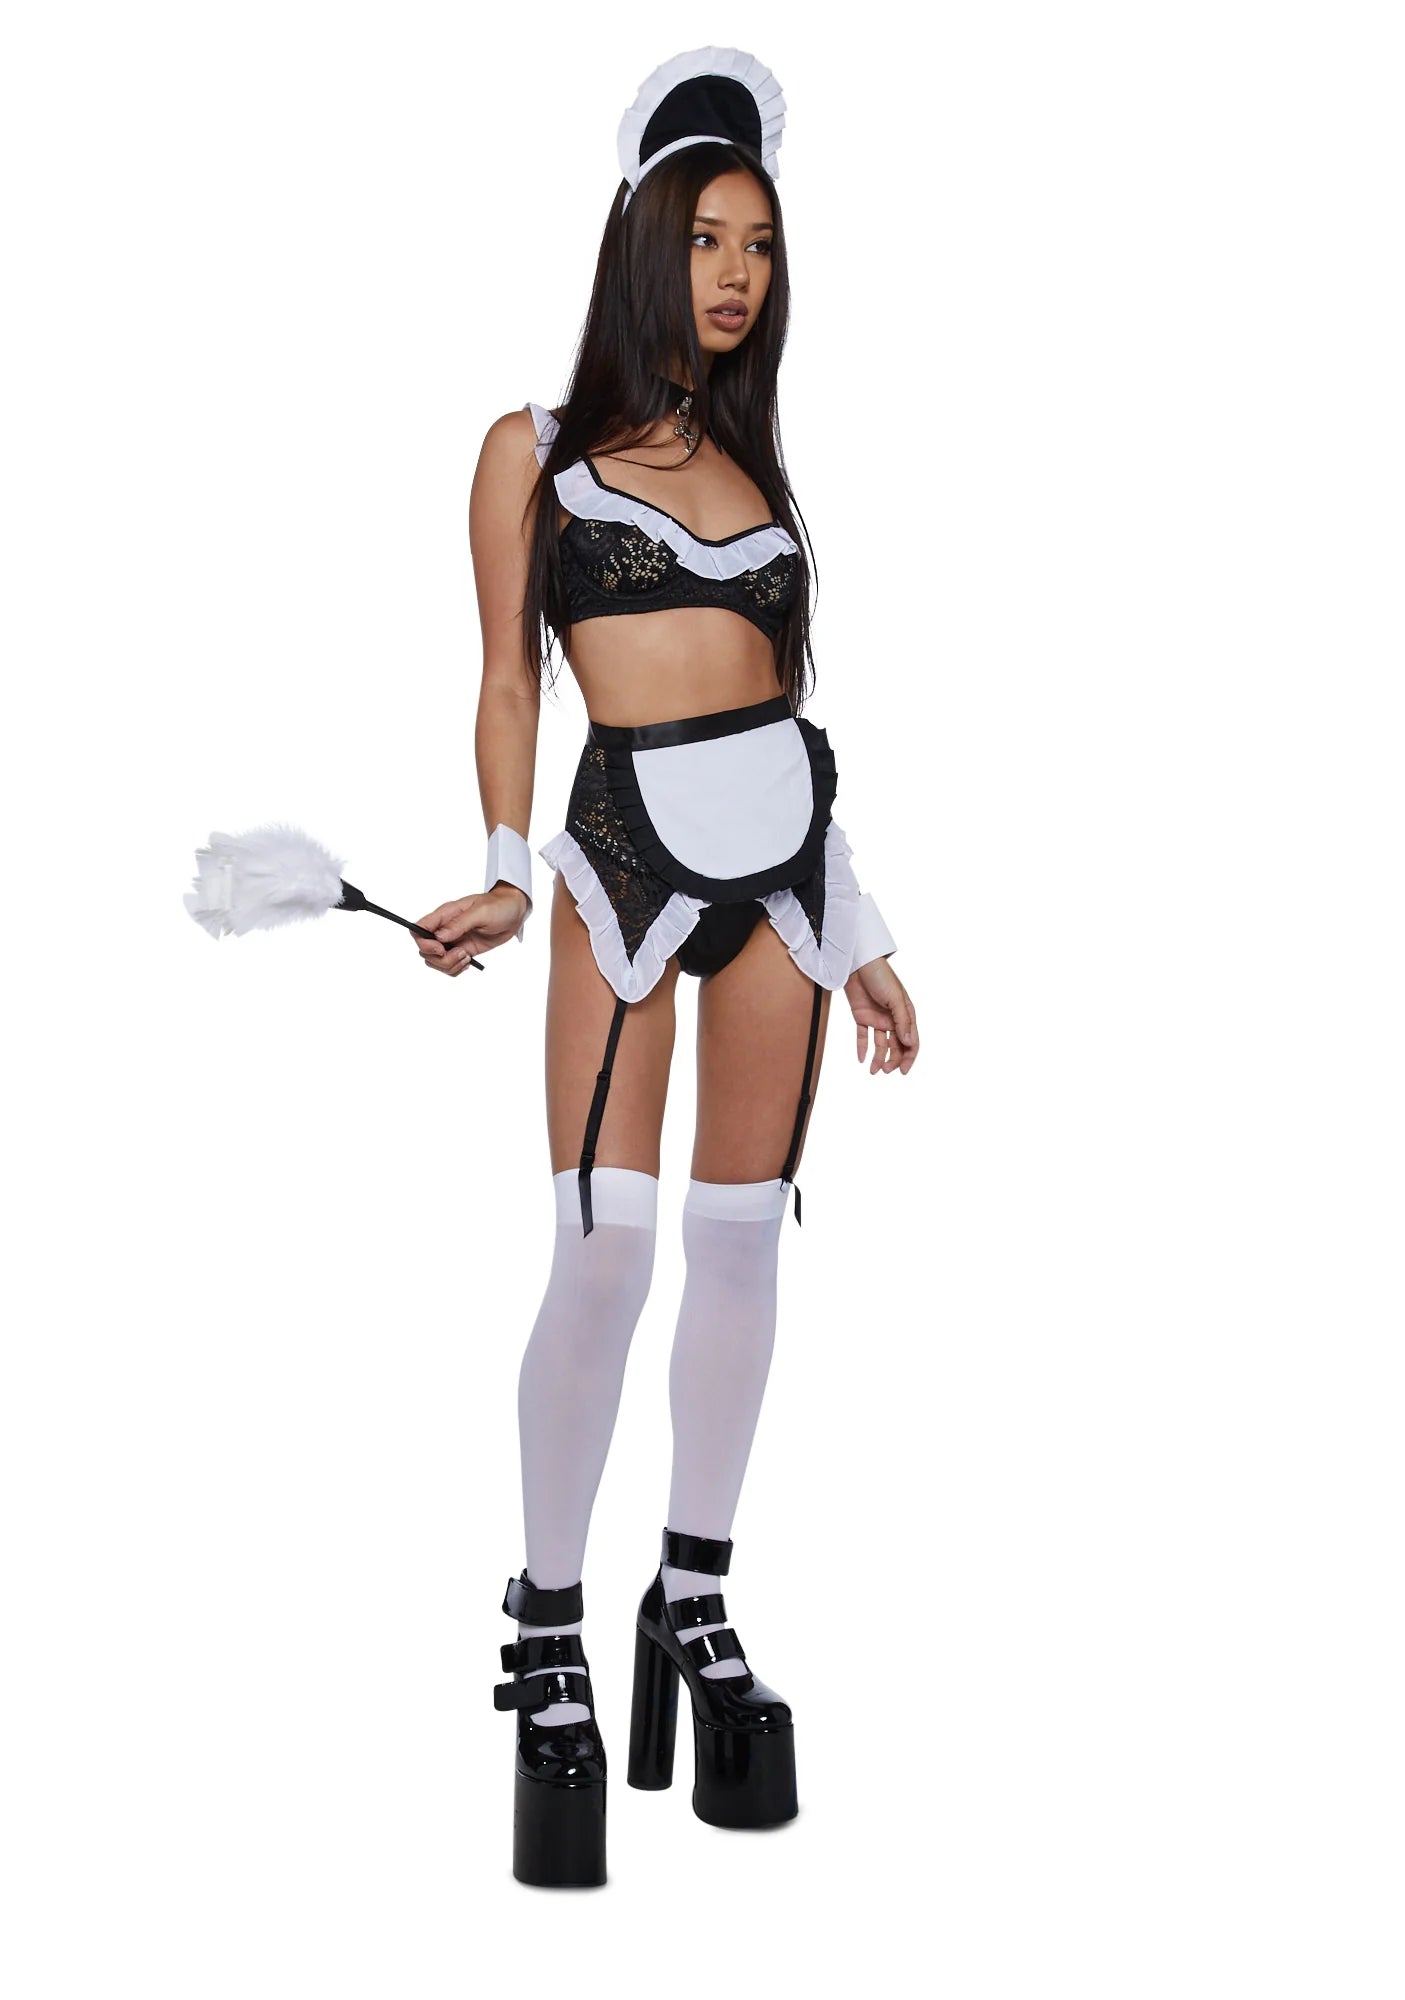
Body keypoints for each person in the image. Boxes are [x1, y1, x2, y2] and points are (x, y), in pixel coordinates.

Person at [414, 47, 919, 1888]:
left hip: (782, 883)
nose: (735, 274)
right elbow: (506, 677)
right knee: (605, 1254)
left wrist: (862, 933)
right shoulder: (534, 452)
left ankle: (689, 1598)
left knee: (739, 1252)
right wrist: (499, 866)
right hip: (617, 861)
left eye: (759, 246)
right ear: (643, 240)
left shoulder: (759, 470)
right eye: (706, 238)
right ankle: (546, 1624)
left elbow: (787, 725)